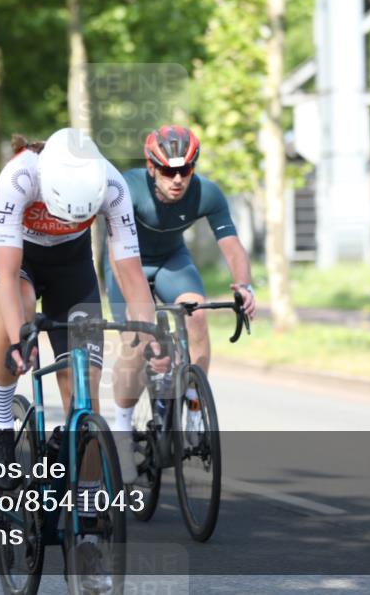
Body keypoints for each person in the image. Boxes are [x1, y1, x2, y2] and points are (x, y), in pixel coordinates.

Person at [0, 128, 168, 492]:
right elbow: (8, 275)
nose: (63, 223)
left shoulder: (113, 186)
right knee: (19, 308)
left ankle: (88, 505)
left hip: (71, 265)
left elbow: (130, 272)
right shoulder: (20, 176)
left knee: (85, 395)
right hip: (15, 256)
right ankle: (1, 424)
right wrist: (18, 340)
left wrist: (151, 334)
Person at [105, 125, 257, 476]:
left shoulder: (207, 193)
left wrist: (244, 286)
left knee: (197, 313)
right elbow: (116, 256)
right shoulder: (126, 188)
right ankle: (122, 428)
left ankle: (193, 404)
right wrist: (140, 317)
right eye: (168, 170)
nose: (177, 179)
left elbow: (232, 247)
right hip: (127, 263)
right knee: (136, 341)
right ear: (151, 167)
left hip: (172, 261)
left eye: (185, 170)